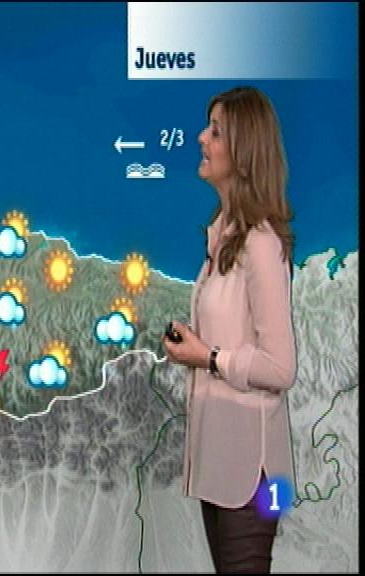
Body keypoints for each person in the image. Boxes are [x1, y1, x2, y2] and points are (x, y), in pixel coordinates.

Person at [162, 86, 297, 573]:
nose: (201, 138)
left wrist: (209, 357)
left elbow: (281, 367)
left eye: (215, 132)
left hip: (253, 475)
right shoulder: (224, 237)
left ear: (243, 151)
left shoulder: (260, 242)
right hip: (222, 466)